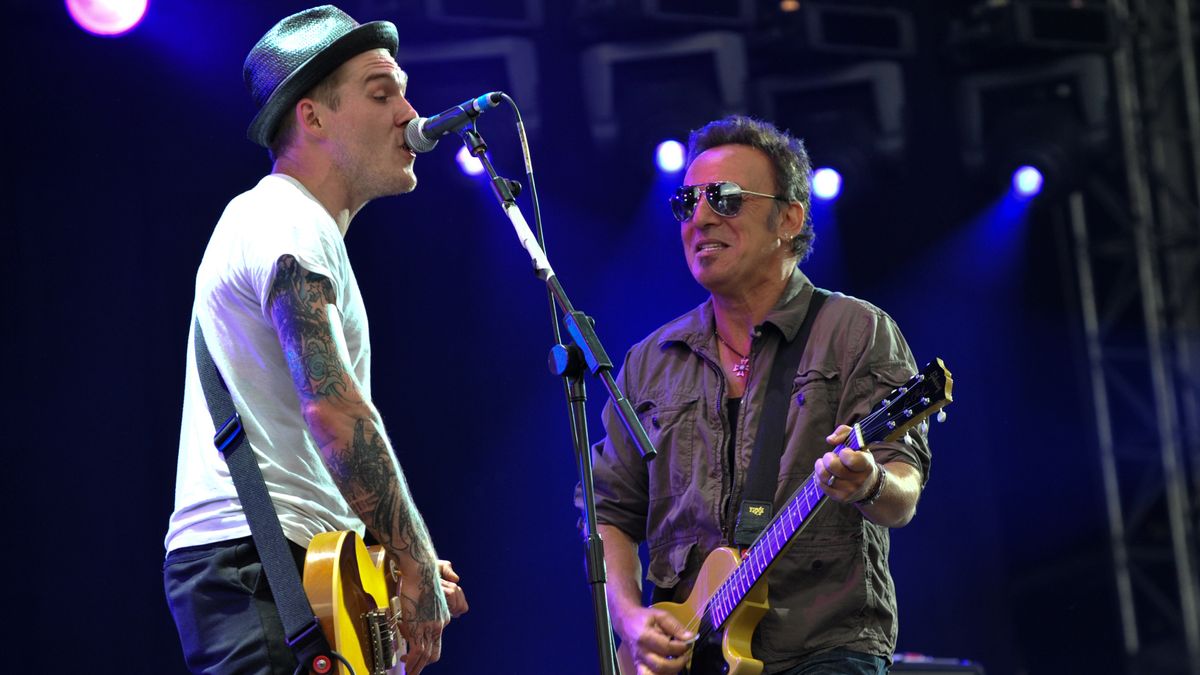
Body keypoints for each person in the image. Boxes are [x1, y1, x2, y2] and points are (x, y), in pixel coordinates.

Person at [163, 6, 466, 674]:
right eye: (381, 93)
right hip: (258, 568)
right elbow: (333, 407)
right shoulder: (286, 216)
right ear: (313, 117)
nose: (408, 112)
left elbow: (303, 444)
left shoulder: (294, 225)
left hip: (289, 562)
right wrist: (411, 555)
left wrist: (387, 565)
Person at [585, 115, 932, 675]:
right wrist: (628, 617)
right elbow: (608, 514)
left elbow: (904, 489)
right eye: (687, 203)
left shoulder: (853, 330)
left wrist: (870, 480)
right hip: (692, 656)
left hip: (824, 648)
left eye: (724, 198)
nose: (700, 217)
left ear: (789, 218)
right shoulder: (650, 361)